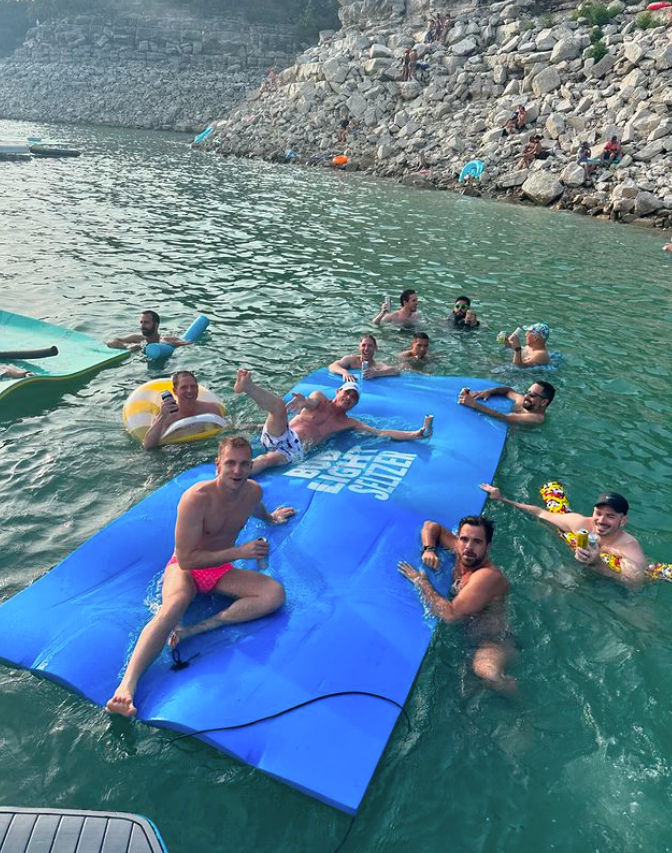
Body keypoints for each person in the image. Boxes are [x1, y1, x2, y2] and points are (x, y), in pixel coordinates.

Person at [105, 436, 296, 717]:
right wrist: (239, 551)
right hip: (186, 568)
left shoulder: (253, 491)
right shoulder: (197, 499)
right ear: (218, 465)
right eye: (230, 463)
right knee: (174, 606)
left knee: (274, 594)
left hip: (220, 570)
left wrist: (271, 519)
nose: (237, 470)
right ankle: (127, 687)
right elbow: (187, 558)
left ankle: (194, 629)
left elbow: (257, 509)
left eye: (245, 464)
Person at [233, 368, 432, 474]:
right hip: (283, 432)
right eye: (347, 394)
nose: (349, 399)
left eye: (354, 398)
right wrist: (304, 401)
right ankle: (247, 387)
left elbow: (381, 433)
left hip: (295, 450)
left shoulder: (349, 423)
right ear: (338, 392)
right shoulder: (319, 398)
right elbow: (310, 402)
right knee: (278, 408)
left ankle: (232, 475)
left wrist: (415, 434)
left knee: (265, 461)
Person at [398, 515, 516, 693]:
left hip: (491, 642)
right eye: (464, 539)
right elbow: (431, 526)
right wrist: (429, 549)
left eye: (477, 542)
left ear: (488, 546)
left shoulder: (487, 576)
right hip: (466, 633)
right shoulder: (463, 551)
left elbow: (450, 615)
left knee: (487, 674)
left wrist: (420, 581)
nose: (468, 546)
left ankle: (526, 711)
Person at [480, 484, 646, 587]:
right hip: (574, 563)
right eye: (598, 513)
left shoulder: (629, 547)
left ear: (623, 520)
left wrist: (597, 563)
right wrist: (503, 499)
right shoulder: (581, 524)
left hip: (605, 586)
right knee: (546, 585)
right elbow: (540, 513)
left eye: (610, 516)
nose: (601, 521)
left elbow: (633, 584)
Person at [143, 370, 224, 450]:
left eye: (193, 386)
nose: (189, 391)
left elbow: (224, 433)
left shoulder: (211, 409)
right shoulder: (166, 417)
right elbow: (148, 446)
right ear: (175, 391)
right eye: (184, 387)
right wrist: (162, 416)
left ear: (197, 388)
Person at [458, 381, 555, 425]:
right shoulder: (525, 401)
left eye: (532, 395)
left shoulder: (536, 418)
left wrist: (474, 404)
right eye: (527, 392)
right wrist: (489, 391)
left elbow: (505, 418)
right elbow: (509, 391)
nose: (526, 396)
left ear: (544, 402)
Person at [106, 310, 192, 351]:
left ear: (156, 324)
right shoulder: (138, 338)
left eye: (146, 322)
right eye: (141, 322)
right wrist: (126, 346)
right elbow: (111, 341)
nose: (142, 326)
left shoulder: (167, 340)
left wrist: (170, 346)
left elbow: (189, 343)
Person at [328, 334, 399, 381]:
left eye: (370, 346)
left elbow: (395, 371)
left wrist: (377, 373)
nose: (366, 349)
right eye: (363, 345)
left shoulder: (377, 366)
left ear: (376, 348)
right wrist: (344, 372)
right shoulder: (351, 360)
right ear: (359, 347)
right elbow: (332, 366)